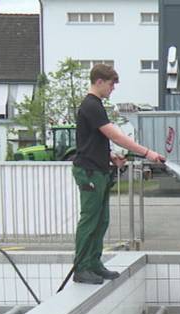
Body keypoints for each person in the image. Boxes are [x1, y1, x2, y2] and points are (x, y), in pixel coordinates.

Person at [71, 63, 165, 284]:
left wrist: (111, 156)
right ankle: (81, 268)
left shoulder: (97, 105)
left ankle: (94, 263)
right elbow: (116, 135)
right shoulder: (91, 105)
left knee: (101, 220)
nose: (113, 89)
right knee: (90, 220)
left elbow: (95, 139)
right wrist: (147, 153)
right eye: (111, 85)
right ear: (99, 81)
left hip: (99, 169)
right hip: (89, 172)